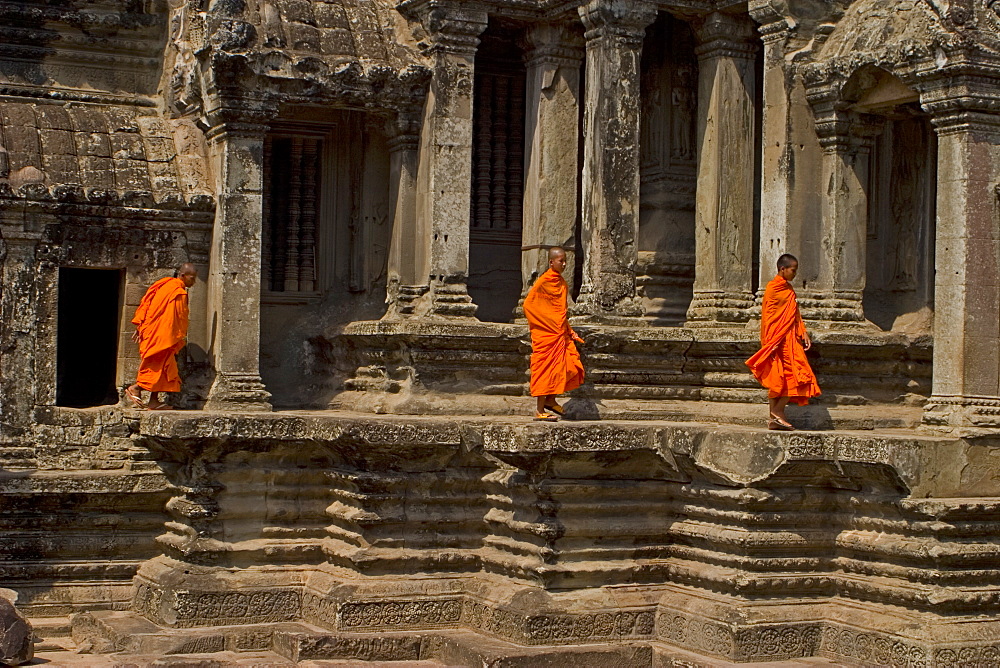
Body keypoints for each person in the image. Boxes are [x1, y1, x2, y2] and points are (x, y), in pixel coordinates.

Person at [746, 254, 820, 430]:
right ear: (782, 269)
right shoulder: (772, 289)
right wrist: (771, 341)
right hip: (776, 340)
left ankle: (775, 417)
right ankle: (777, 413)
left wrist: (803, 333)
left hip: (790, 339)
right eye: (793, 270)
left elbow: (794, 314)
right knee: (778, 378)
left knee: (797, 375)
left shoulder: (788, 289)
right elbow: (768, 317)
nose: (794, 274)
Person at [523, 246, 585, 421]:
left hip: (559, 333)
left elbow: (560, 311)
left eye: (566, 261)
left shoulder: (562, 283)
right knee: (545, 370)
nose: (564, 264)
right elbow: (529, 306)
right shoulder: (544, 282)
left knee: (569, 365)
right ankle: (539, 410)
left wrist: (568, 330)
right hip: (547, 334)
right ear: (551, 262)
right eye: (561, 261)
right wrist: (548, 324)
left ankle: (551, 400)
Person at [124, 263, 196, 410]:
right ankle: (136, 387)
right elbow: (178, 318)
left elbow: (148, 305)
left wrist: (141, 326)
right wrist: (178, 335)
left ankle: (153, 401)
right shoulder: (178, 292)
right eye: (192, 278)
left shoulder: (163, 285)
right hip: (163, 335)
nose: (194, 281)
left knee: (163, 367)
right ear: (182, 275)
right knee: (157, 365)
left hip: (156, 332)